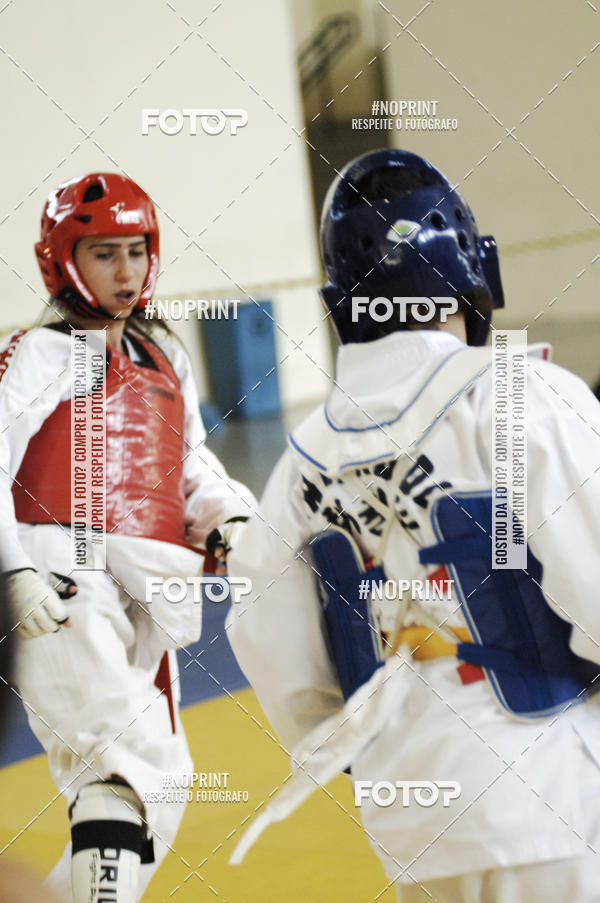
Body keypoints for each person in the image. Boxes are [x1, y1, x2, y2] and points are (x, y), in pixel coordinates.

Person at [226, 149, 600, 901]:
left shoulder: (299, 463)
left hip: (413, 820)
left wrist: (368, 750)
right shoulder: (521, 397)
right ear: (471, 273)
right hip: (555, 796)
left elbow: (274, 653)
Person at [0, 172, 255, 903]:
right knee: (126, 762)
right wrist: (12, 570)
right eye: (104, 253)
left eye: (135, 251)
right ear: (63, 260)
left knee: (159, 783)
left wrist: (229, 515)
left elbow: (191, 465)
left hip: (147, 587)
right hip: (63, 572)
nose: (125, 270)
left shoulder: (163, 356)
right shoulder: (42, 352)